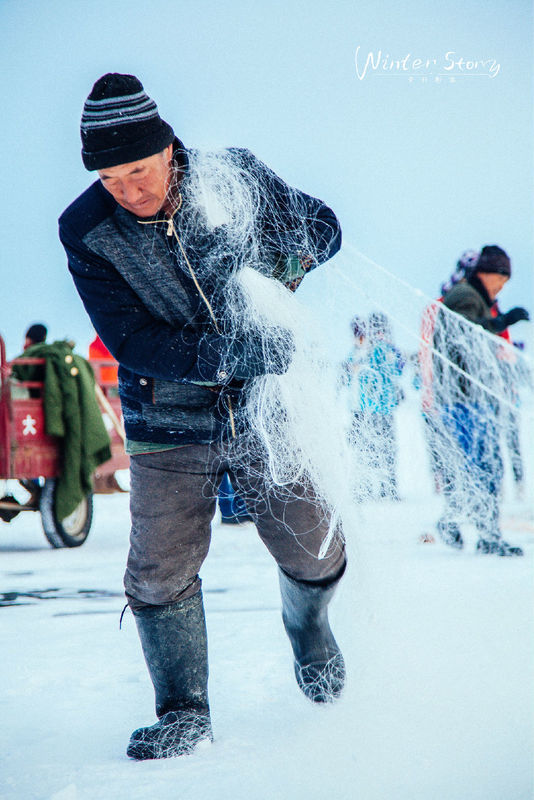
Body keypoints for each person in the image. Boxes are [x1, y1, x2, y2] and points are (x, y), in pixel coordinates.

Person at [59, 73, 346, 760]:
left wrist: (278, 258)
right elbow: (129, 340)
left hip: (263, 411)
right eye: (109, 178)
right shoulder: (85, 230)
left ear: (167, 151)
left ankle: (308, 627)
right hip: (166, 417)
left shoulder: (231, 176)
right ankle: (183, 710)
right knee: (158, 570)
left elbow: (326, 228)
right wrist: (231, 351)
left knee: (313, 546)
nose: (128, 190)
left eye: (137, 170)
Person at [432, 244, 529, 556]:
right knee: (482, 466)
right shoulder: (464, 296)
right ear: (486, 273)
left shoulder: (474, 298)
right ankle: (478, 531)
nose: (502, 286)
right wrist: (501, 323)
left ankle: (466, 525)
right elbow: (465, 336)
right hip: (463, 401)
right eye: (501, 278)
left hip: (469, 399)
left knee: (480, 467)